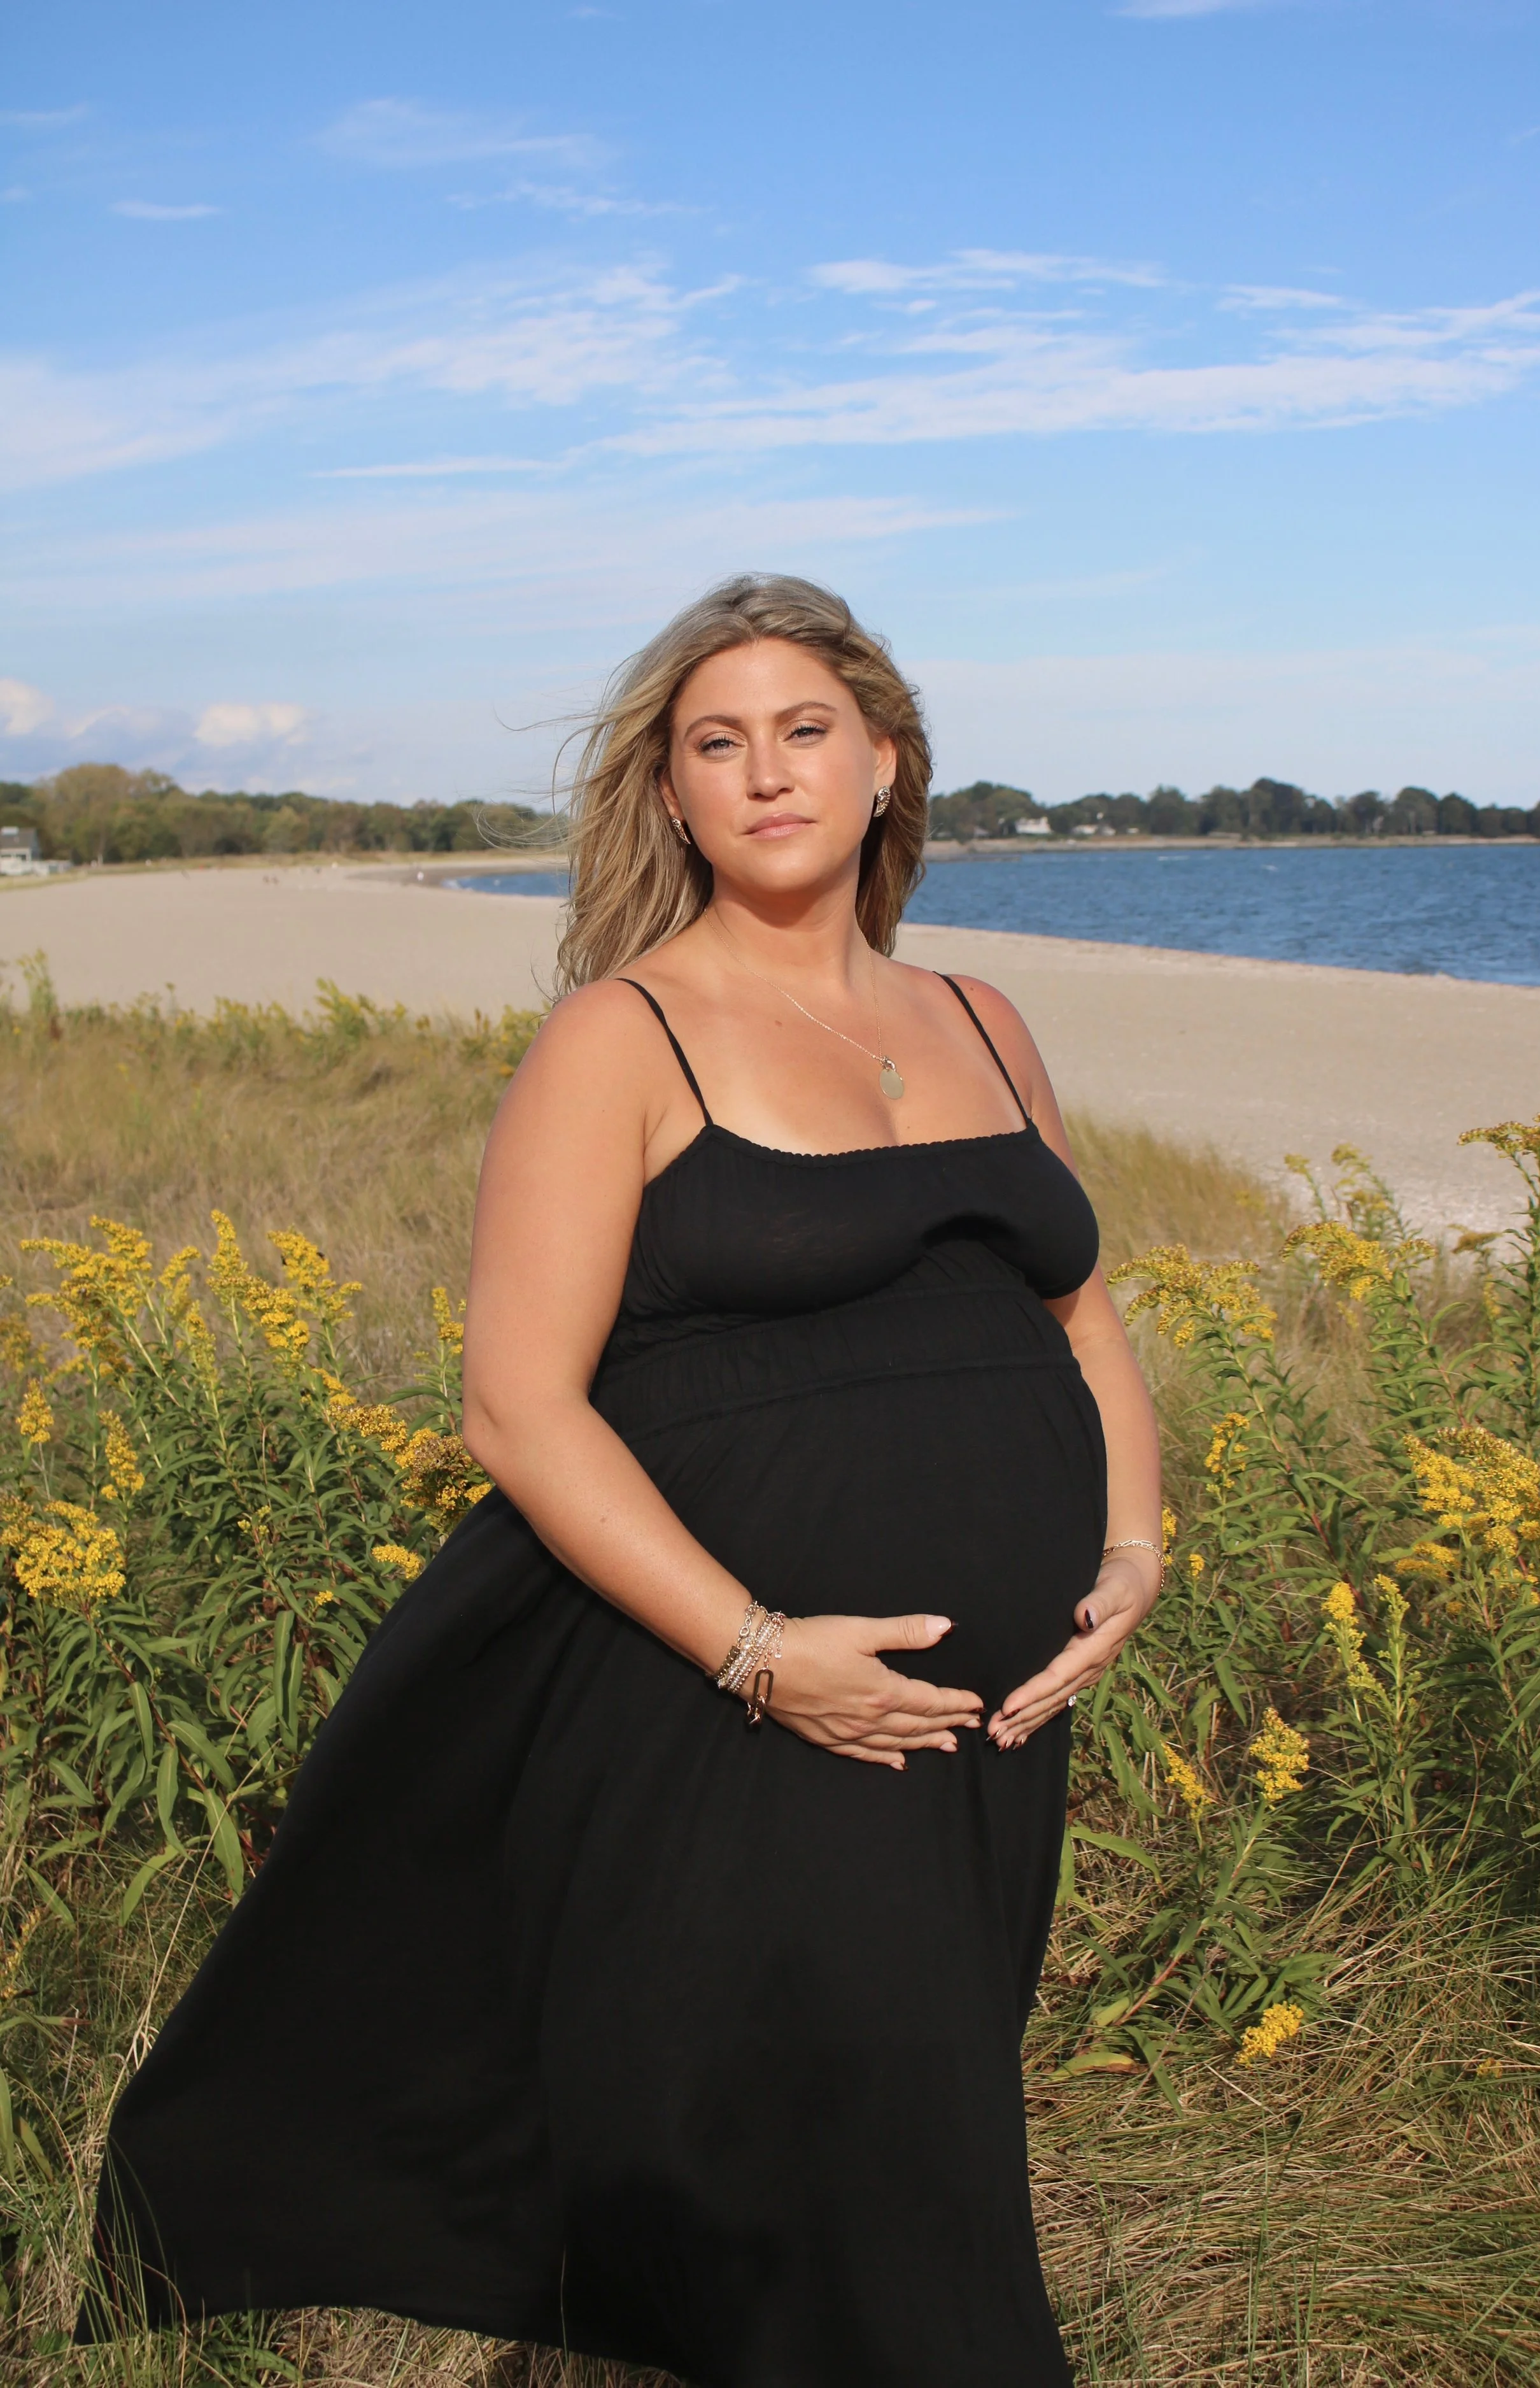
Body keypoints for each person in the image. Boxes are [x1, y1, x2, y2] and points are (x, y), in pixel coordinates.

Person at [81, 574, 1162, 2387]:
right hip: (734, 1714)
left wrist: (1131, 1537)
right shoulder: (622, 1036)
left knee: (907, 2137)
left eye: (803, 730)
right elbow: (518, 1406)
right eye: (714, 743)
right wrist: (757, 1651)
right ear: (670, 796)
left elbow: (1072, 1299)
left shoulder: (984, 1014)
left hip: (983, 1729)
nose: (763, 773)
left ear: (886, 762)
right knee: (854, 2185)